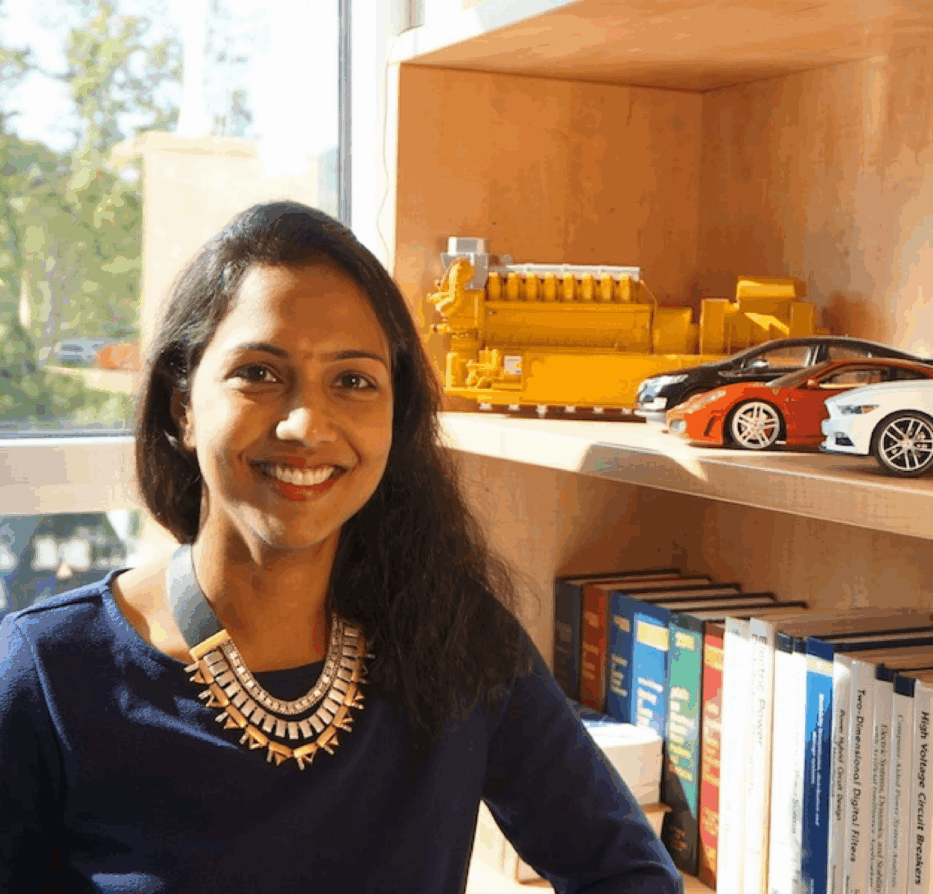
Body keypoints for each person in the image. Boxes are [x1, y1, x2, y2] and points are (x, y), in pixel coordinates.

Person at [0, 201, 682, 893]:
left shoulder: (458, 640)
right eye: (259, 374)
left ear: (394, 415)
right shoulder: (48, 673)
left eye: (353, 381)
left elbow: (626, 876)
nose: (305, 424)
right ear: (183, 406)